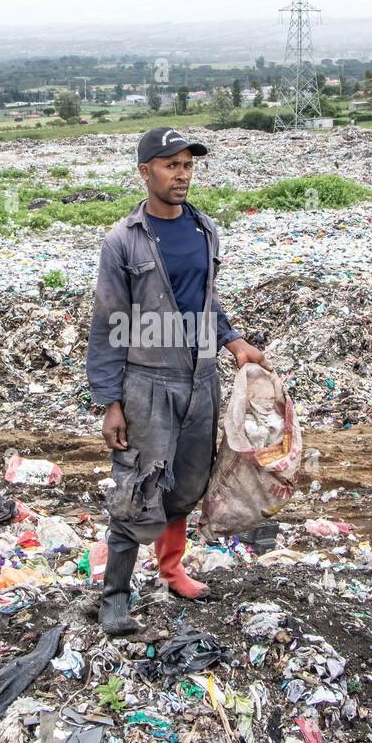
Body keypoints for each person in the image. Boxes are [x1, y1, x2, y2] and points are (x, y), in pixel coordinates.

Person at [86, 127, 264, 636]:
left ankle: (172, 571)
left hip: (200, 380)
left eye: (188, 165)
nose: (182, 175)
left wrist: (233, 342)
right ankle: (115, 595)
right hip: (147, 382)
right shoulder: (124, 240)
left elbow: (206, 301)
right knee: (137, 487)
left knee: (186, 483)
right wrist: (110, 401)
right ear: (146, 173)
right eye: (171, 165)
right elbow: (108, 322)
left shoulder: (204, 229)